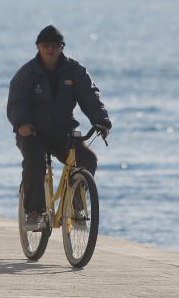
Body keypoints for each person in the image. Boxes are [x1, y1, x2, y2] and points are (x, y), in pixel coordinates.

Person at [7, 25, 111, 230]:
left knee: (88, 159)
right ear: (38, 47)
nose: (51, 50)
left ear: (62, 48)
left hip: (62, 133)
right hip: (32, 133)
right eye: (46, 45)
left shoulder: (75, 71)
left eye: (56, 46)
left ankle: (76, 208)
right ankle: (35, 212)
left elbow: (90, 97)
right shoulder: (27, 73)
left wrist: (102, 120)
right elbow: (16, 102)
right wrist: (21, 124)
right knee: (35, 161)